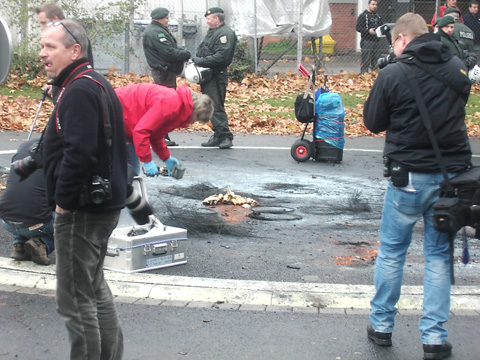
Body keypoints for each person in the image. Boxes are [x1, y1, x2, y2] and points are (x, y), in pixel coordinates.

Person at [363, 12, 472, 360]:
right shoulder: (457, 68)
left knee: (394, 252)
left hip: (406, 176)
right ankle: (434, 339)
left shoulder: (392, 73)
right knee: (438, 257)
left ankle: (381, 326)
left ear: (401, 39)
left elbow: (373, 122)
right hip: (449, 179)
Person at [39, 19, 126, 359]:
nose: (43, 54)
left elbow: (79, 151)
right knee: (93, 290)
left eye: (51, 47)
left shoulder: (78, 90)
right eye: (42, 46)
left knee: (74, 300)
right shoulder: (95, 83)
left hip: (81, 210)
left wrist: (62, 204)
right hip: (100, 206)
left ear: (75, 50)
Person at [114, 83, 213, 176]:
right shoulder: (171, 105)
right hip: (116, 112)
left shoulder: (179, 109)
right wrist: (147, 161)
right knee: (129, 171)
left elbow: (156, 135)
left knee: (129, 171)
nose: (195, 121)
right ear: (195, 110)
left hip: (124, 116)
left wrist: (166, 157)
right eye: (197, 117)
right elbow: (141, 131)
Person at [0, 140, 54, 265]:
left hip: (6, 221)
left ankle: (18, 245)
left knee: (21, 200)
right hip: (36, 225)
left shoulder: (23, 148)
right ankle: (43, 243)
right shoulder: (57, 155)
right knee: (66, 217)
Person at [143, 7, 191, 147]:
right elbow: (168, 52)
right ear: (159, 18)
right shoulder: (156, 32)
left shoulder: (158, 30)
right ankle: (159, 136)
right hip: (163, 73)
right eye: (166, 18)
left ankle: (162, 135)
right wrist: (185, 54)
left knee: (165, 104)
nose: (168, 20)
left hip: (165, 72)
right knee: (163, 105)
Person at [192, 7, 237, 149]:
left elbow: (222, 56)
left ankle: (225, 136)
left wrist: (203, 61)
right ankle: (218, 134)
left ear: (217, 19)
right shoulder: (213, 33)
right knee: (210, 105)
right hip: (208, 74)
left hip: (217, 75)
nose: (207, 21)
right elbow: (205, 49)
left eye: (209, 18)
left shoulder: (225, 33)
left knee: (215, 105)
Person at [356, 0, 383, 74]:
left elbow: (381, 26)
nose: (374, 6)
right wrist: (368, 31)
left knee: (376, 60)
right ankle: (364, 74)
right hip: (367, 40)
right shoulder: (363, 16)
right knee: (366, 59)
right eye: (373, 4)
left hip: (376, 41)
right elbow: (358, 28)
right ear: (369, 5)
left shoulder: (378, 16)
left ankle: (374, 75)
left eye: (376, 5)